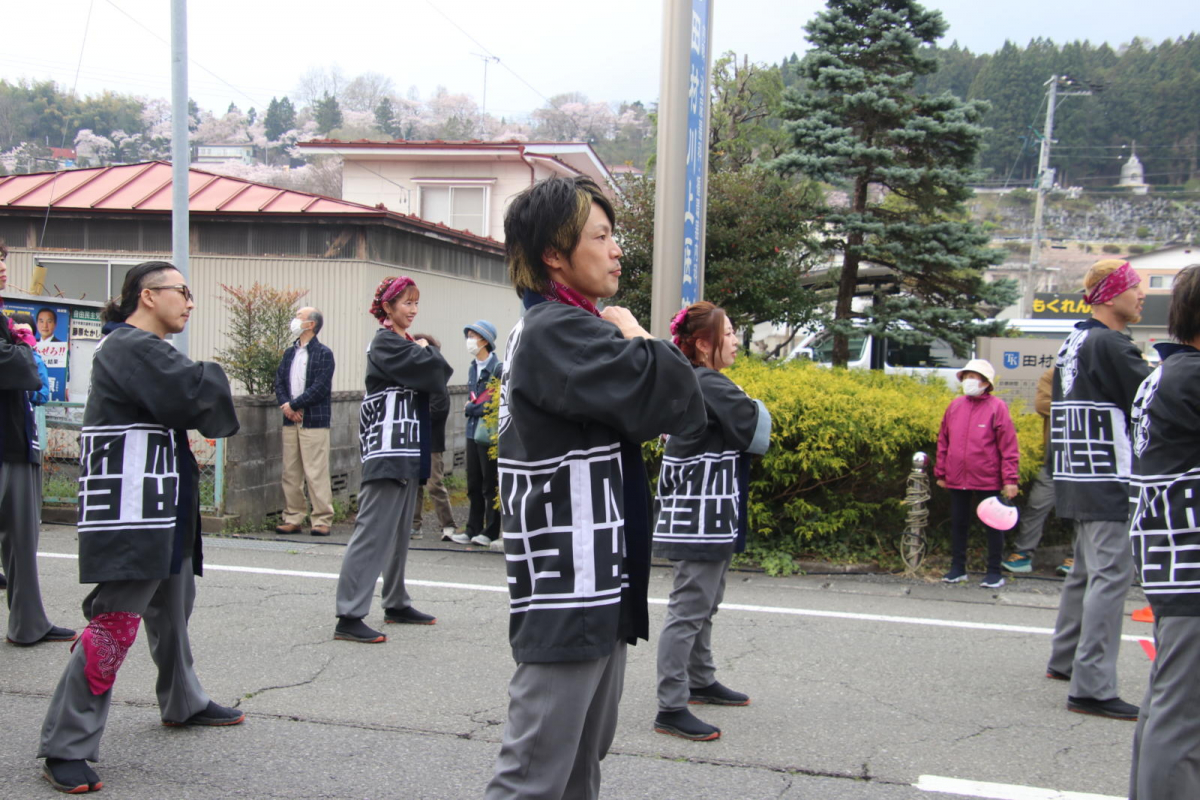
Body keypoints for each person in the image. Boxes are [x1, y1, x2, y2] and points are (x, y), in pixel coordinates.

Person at [484, 175, 706, 800]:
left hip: (589, 577)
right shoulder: (559, 329)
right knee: (533, 775)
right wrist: (635, 330)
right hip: (570, 584)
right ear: (554, 254)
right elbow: (673, 394)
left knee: (579, 766)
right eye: (601, 237)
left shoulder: (557, 327)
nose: (615, 251)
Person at [38, 260, 243, 795]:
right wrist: (213, 373)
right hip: (134, 505)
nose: (190, 302)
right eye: (183, 292)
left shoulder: (137, 348)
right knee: (116, 620)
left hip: (159, 496)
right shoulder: (130, 346)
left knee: (175, 605)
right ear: (148, 296)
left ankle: (184, 699)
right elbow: (194, 393)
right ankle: (67, 742)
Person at [651, 302, 771, 742]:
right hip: (700, 516)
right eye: (731, 332)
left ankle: (700, 679)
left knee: (704, 603)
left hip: (705, 513)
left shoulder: (695, 379)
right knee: (689, 609)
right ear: (703, 344)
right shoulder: (707, 382)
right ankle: (670, 704)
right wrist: (753, 404)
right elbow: (759, 432)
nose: (737, 340)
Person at [1045, 258, 1151, 721]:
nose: (1141, 294)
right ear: (1110, 295)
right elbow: (1152, 401)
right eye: (1134, 287)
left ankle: (1065, 659)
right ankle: (1092, 686)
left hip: (1075, 471)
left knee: (1085, 572)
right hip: (1110, 473)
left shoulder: (1076, 339)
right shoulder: (1112, 345)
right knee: (1110, 576)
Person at [333, 276, 453, 643]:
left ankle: (396, 600)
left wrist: (423, 348)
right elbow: (436, 370)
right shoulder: (385, 341)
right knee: (373, 531)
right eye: (406, 303)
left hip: (406, 446)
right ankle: (349, 614)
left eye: (416, 304)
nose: (413, 310)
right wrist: (426, 349)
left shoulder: (402, 342)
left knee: (400, 531)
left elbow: (434, 373)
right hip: (387, 446)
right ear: (387, 307)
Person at [1128, 264, 1200, 799]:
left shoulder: (1165, 374)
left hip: (1169, 554)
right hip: (1191, 560)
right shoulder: (1192, 378)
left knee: (1168, 707)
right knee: (1183, 719)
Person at [0, 241, 75, 648]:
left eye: (3, 259)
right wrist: (25, 349)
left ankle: (29, 622)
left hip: (16, 436)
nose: (2, 268)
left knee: (23, 541)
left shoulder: (5, 319)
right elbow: (19, 367)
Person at [934, 358, 1020, 589]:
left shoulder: (997, 407)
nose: (968, 381)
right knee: (958, 523)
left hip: (987, 478)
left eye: (974, 377)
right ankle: (957, 568)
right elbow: (943, 440)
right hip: (957, 477)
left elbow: (1008, 445)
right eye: (966, 376)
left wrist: (1010, 479)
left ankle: (994, 571)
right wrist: (941, 471)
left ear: (985, 383)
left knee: (993, 526)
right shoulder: (955, 406)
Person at [1001, 367, 1073, 576]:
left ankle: (1077, 558)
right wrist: (1081, 405)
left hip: (1085, 463)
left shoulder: (1096, 372)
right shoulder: (1055, 374)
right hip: (1054, 458)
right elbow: (1042, 404)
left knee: (1082, 513)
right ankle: (1023, 554)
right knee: (1036, 505)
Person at [273, 306, 336, 537]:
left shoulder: (323, 353)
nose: (295, 320)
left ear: (311, 324)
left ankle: (321, 519)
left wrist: (295, 404)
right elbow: (279, 381)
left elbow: (321, 386)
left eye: (299, 317)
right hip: (290, 419)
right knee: (291, 471)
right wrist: (286, 406)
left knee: (316, 471)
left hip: (314, 420)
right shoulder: (289, 353)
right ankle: (293, 517)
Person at [454, 319, 502, 548]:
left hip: (490, 434)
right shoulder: (473, 367)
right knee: (473, 482)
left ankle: (491, 530)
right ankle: (472, 528)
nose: (469, 341)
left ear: (484, 340)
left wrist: (471, 409)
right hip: (473, 432)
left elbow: (496, 403)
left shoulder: (498, 369)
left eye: (472, 336)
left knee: (490, 484)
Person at [410, 332, 457, 540]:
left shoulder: (437, 381)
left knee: (434, 484)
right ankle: (414, 525)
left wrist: (415, 417)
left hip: (431, 442)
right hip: (412, 441)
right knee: (413, 484)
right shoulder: (412, 379)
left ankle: (448, 525)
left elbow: (438, 411)